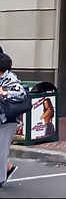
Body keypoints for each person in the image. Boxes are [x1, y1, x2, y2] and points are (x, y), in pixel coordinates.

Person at [0, 52, 27, 186]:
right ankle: (8, 168)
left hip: (6, 120)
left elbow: (21, 94)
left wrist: (4, 93)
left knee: (1, 150)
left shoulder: (10, 78)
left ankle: (0, 178)